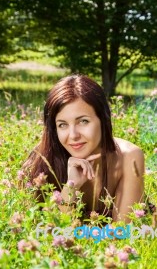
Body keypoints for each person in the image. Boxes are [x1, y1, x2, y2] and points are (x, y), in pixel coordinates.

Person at [21, 74, 145, 223]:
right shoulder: (42, 159)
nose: (73, 135)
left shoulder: (129, 158)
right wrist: (71, 188)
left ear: (103, 119)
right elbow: (54, 234)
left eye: (83, 121)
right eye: (62, 124)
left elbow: (122, 233)